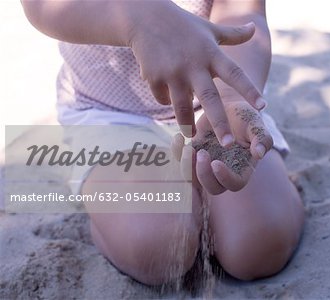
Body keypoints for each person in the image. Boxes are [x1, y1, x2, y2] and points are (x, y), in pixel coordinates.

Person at [22, 0, 304, 285]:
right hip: (112, 114)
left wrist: (233, 99)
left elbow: (243, 13)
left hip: (213, 101)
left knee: (259, 245)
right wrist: (138, 16)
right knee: (157, 248)